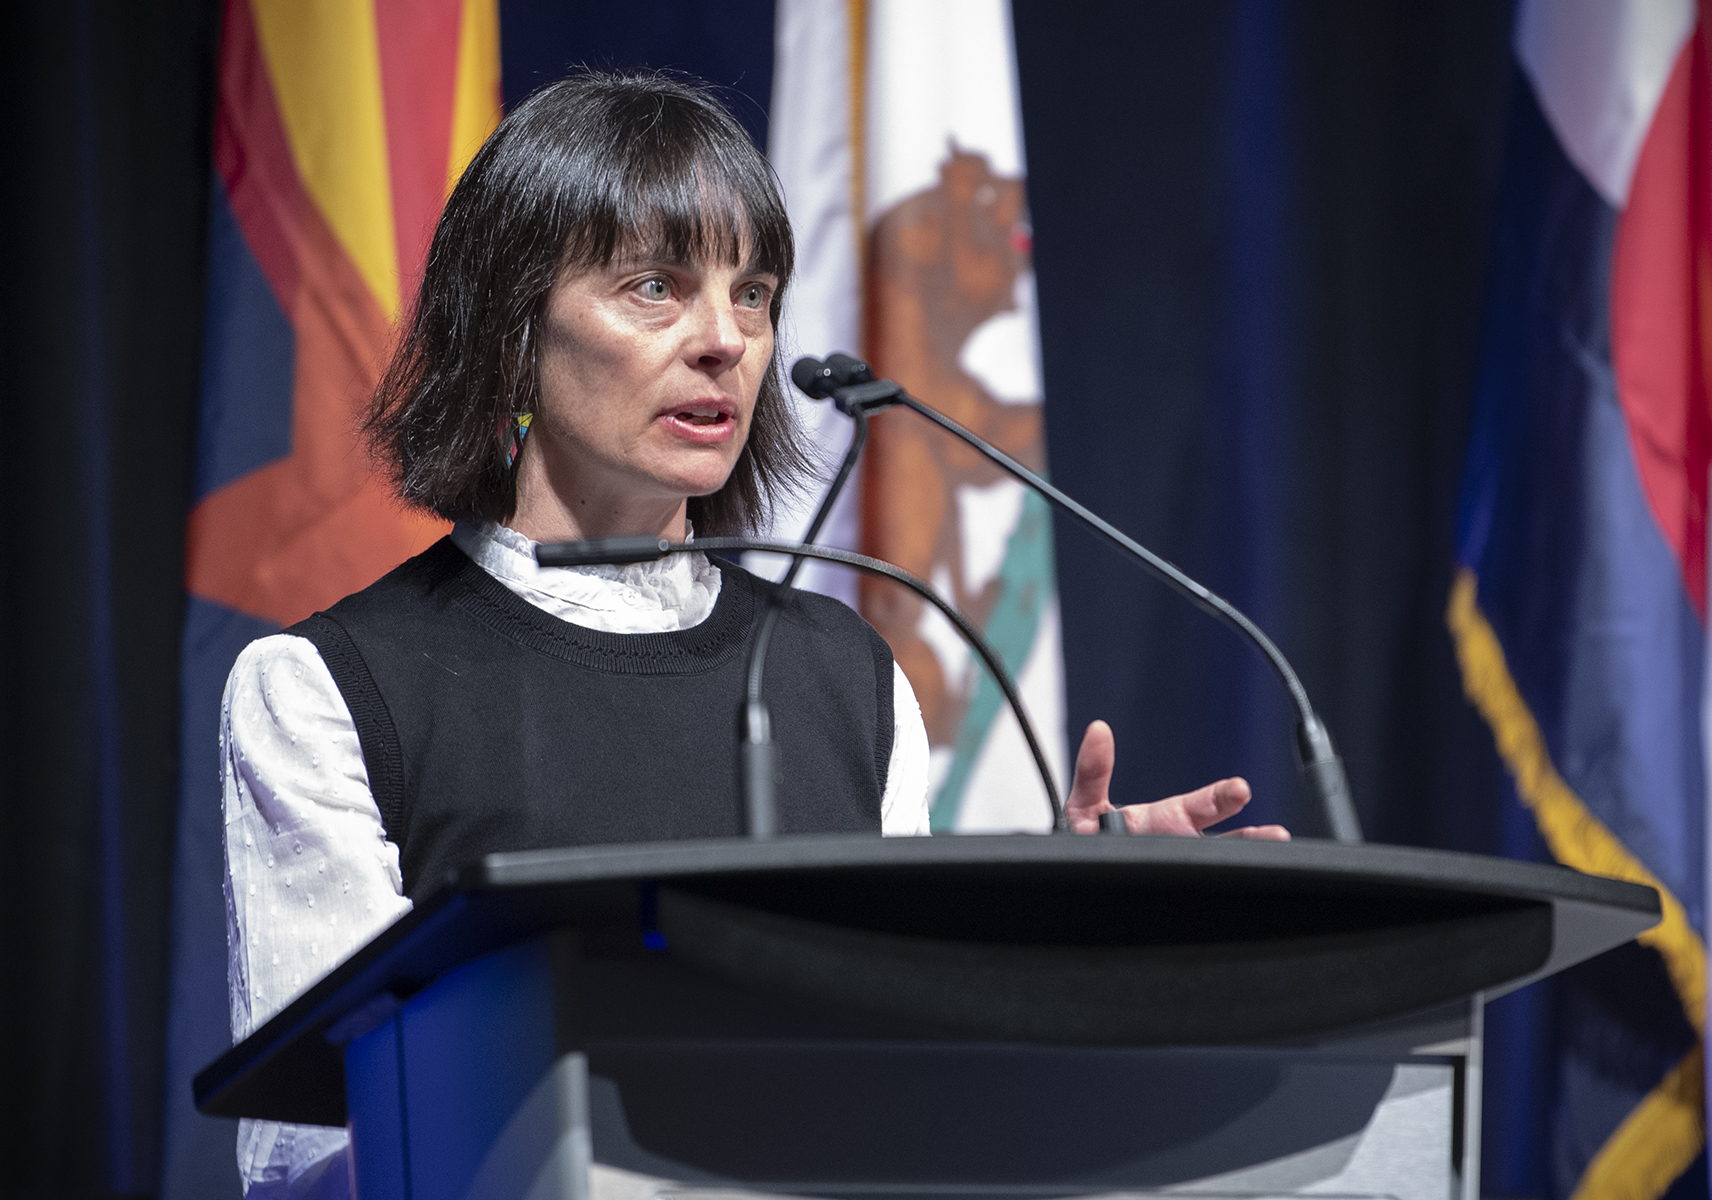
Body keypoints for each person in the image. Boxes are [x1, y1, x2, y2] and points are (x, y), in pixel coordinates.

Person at [221, 70, 1286, 1198]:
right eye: (654, 287)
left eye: (756, 292)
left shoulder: (847, 678)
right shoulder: (329, 691)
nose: (725, 340)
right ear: (513, 329)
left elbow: (911, 1103)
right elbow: (307, 1157)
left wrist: (1047, 952)